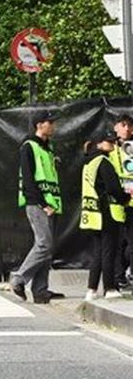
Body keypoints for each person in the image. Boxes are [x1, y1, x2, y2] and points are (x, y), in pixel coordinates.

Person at [12, 111, 64, 304]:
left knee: (47, 248)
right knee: (44, 244)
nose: (53, 126)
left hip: (50, 203)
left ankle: (40, 291)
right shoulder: (29, 146)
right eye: (50, 122)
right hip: (38, 203)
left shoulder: (47, 148)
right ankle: (19, 279)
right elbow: (28, 179)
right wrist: (43, 204)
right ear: (39, 125)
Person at [80, 132, 129, 301]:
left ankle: (91, 289)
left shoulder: (89, 162)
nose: (113, 144)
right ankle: (109, 288)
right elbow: (113, 188)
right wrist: (125, 197)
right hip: (107, 212)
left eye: (114, 141)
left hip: (93, 213)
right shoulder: (104, 162)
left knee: (98, 252)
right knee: (109, 251)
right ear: (99, 144)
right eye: (109, 142)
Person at [110, 114, 133, 288]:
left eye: (129, 126)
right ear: (115, 127)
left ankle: (125, 273)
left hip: (131, 201)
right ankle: (118, 275)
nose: (127, 129)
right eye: (123, 125)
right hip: (116, 200)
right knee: (118, 241)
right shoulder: (110, 147)